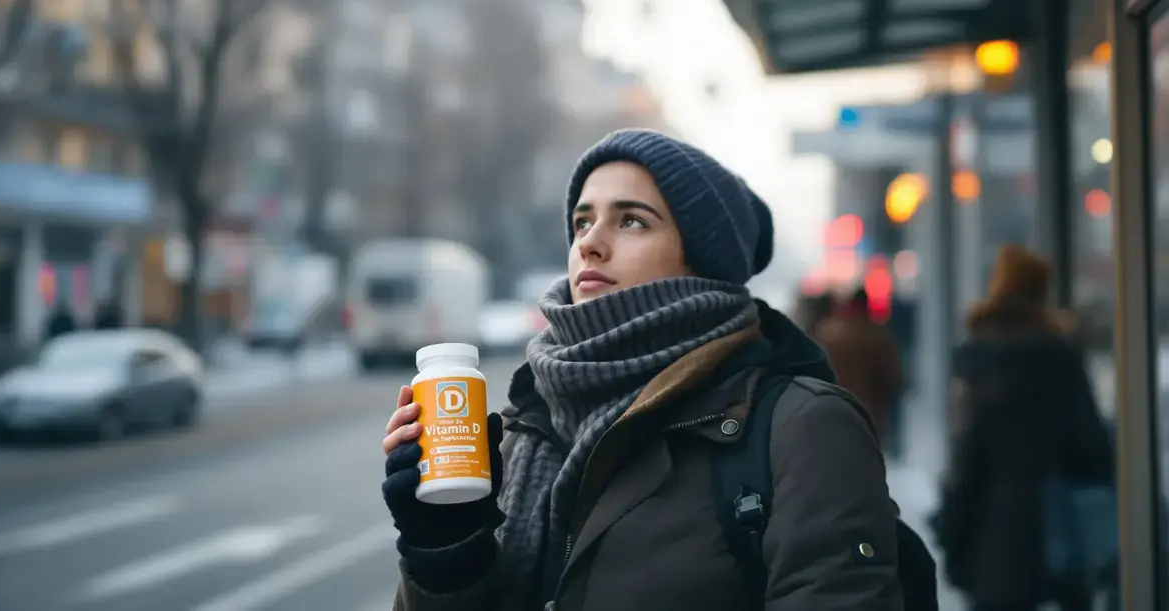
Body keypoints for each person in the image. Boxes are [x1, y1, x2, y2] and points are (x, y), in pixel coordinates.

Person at [381, 129, 903, 611]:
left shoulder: (803, 428)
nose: (589, 242)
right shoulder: (530, 425)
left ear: (698, 262)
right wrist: (446, 550)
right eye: (582, 221)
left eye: (631, 220)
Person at [933, 245, 1113, 611]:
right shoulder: (1060, 356)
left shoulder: (972, 359)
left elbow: (965, 456)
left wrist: (953, 529)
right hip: (1057, 528)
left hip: (991, 535)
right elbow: (1093, 449)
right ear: (1042, 293)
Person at [815, 287, 904, 449]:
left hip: (833, 413)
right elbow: (894, 379)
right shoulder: (878, 335)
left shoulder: (827, 333)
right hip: (869, 415)